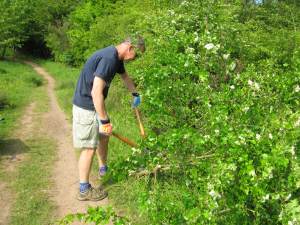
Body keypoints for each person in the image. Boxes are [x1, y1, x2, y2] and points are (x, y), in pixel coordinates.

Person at [72, 37, 145, 201]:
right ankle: (84, 189)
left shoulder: (116, 58)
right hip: (87, 107)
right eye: (136, 55)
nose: (135, 58)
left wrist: (135, 94)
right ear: (130, 47)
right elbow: (96, 92)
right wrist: (104, 121)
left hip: (95, 106)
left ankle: (103, 167)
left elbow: (125, 77)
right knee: (89, 147)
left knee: (104, 138)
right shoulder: (109, 59)